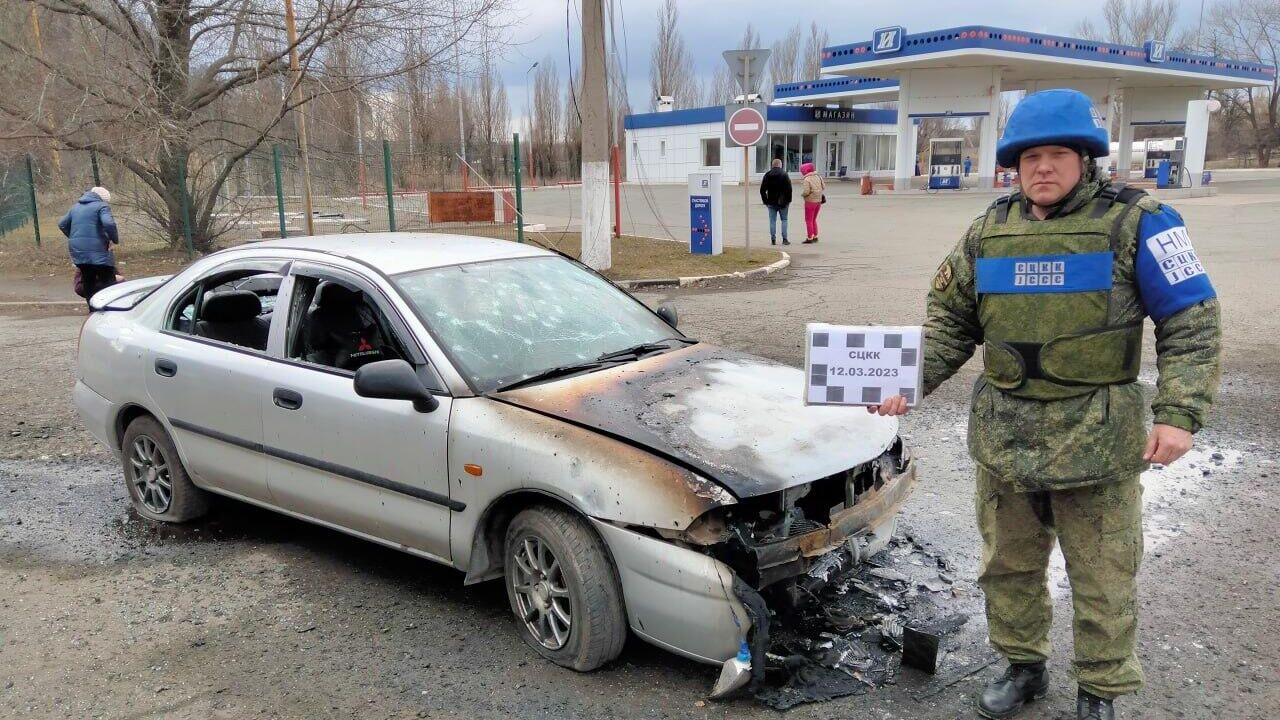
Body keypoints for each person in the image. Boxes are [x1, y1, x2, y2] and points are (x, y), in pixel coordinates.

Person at [868, 89, 1221, 720]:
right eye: (1031, 157)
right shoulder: (989, 230)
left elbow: (1191, 319)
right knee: (1007, 566)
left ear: (1086, 159)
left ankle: (1100, 690)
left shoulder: (1140, 222)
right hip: (1007, 439)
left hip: (1098, 442)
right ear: (1015, 164)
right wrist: (905, 381)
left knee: (1104, 574)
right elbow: (950, 321)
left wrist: (1179, 411)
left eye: (1059, 154)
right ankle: (1023, 667)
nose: (1044, 168)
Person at [59, 187, 120, 307]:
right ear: (103, 199)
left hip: (79, 250)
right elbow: (108, 223)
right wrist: (114, 239)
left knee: (88, 279)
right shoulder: (102, 206)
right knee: (108, 279)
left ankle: (93, 308)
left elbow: (62, 224)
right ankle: (111, 307)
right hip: (99, 249)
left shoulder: (75, 207)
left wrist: (74, 237)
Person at [759, 158, 792, 246]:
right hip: (783, 202)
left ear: (772, 165)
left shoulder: (767, 175)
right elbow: (789, 190)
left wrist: (765, 201)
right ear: (780, 165)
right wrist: (788, 201)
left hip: (771, 202)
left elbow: (762, 190)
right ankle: (785, 239)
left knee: (772, 221)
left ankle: (773, 239)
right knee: (784, 219)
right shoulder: (784, 174)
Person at [799, 162, 825, 244]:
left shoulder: (807, 179)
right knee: (814, 219)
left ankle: (809, 237)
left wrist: (802, 195)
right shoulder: (818, 177)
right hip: (819, 201)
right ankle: (815, 236)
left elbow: (806, 191)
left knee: (808, 220)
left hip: (810, 201)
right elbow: (823, 187)